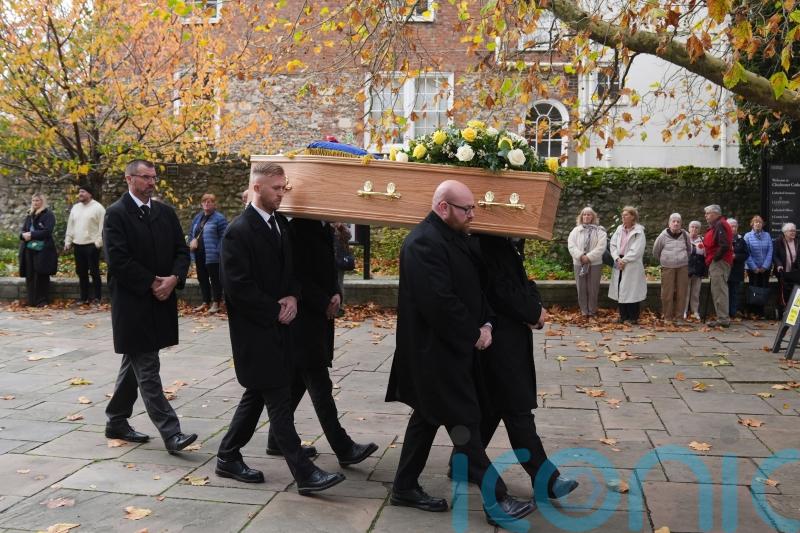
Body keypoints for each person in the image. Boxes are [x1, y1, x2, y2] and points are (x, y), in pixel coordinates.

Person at [385, 180, 534, 527]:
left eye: (473, 208)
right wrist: (473, 334)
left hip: (450, 352)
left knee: (425, 419)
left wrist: (487, 322)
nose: (473, 214)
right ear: (443, 207)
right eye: (467, 209)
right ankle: (497, 501)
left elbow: (472, 288)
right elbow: (440, 302)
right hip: (433, 355)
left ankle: (404, 486)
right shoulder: (422, 243)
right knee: (464, 424)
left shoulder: (454, 239)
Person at [215, 162, 345, 494]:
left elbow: (291, 273)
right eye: (276, 188)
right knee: (277, 399)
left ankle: (227, 456)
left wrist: (293, 298)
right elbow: (238, 288)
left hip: (280, 327)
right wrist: (276, 309)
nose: (281, 194)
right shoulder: (238, 231)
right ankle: (304, 474)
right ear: (257, 188)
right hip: (256, 332)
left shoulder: (280, 226)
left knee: (257, 395)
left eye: (284, 188)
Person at [465, 233, 578, 501]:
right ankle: (546, 479)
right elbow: (500, 291)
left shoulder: (502, 242)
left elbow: (524, 282)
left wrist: (535, 308)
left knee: (493, 407)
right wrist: (532, 313)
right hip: (499, 339)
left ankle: (464, 462)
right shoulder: (487, 244)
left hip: (509, 337)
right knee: (516, 409)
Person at [264, 217, 377, 465]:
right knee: (320, 386)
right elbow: (299, 276)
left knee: (297, 382)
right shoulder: (299, 230)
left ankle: (276, 439)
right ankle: (343, 447)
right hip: (304, 319)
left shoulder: (322, 228)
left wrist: (336, 292)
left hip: (317, 318)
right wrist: (324, 301)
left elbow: (328, 269)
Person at [103, 159, 197, 453]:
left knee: (135, 362)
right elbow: (117, 260)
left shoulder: (165, 213)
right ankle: (172, 433)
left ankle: (116, 420)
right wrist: (151, 283)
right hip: (133, 303)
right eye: (145, 177)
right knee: (147, 366)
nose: (151, 183)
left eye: (154, 177)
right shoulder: (116, 214)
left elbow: (182, 252)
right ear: (129, 179)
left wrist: (173, 278)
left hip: (161, 300)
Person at [64, 184, 106, 305]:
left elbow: (102, 228)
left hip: (92, 245)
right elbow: (70, 226)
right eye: (79, 192)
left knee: (94, 272)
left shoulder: (98, 208)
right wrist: (68, 241)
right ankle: (84, 298)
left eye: (83, 192)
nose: (80, 194)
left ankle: (97, 297)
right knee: (81, 272)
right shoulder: (75, 208)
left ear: (90, 194)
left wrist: (98, 243)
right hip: (78, 244)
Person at [188, 193, 228, 314]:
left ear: (214, 204)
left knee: (215, 279)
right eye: (204, 201)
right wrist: (191, 242)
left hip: (213, 256)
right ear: (201, 204)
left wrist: (217, 251)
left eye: (210, 201)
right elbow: (191, 234)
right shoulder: (198, 217)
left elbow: (224, 236)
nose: (206, 203)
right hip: (199, 253)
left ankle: (216, 303)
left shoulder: (219, 218)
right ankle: (205, 302)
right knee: (202, 278)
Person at [608, 206, 647, 324]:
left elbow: (637, 250)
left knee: (632, 290)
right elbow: (613, 244)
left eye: (626, 215)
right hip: (618, 262)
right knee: (620, 288)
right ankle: (623, 316)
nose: (623, 217)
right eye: (622, 215)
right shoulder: (619, 229)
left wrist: (623, 260)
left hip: (631, 264)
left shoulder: (639, 232)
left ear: (633, 217)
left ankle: (633, 317)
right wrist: (616, 258)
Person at [18, 193, 57, 307]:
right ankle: (32, 301)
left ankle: (42, 301)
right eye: (33, 200)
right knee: (30, 275)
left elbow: (47, 231)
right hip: (28, 249)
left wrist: (31, 235)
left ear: (42, 201)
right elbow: (23, 230)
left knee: (41, 274)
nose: (35, 202)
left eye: (38, 200)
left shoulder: (48, 214)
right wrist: (22, 235)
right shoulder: (30, 214)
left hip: (43, 249)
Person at [567, 207, 607, 319]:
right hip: (579, 263)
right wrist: (580, 256)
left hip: (594, 263)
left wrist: (588, 257)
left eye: (589, 214)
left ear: (593, 217)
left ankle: (592, 310)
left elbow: (601, 247)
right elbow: (571, 245)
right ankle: (584, 311)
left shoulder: (600, 231)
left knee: (593, 288)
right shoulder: (576, 231)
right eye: (584, 214)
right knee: (581, 288)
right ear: (581, 217)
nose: (586, 216)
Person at [652, 213, 691, 325]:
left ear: (681, 223)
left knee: (682, 292)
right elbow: (656, 251)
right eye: (673, 221)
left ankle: (679, 318)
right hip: (667, 267)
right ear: (669, 223)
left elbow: (689, 250)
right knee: (667, 293)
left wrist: (683, 259)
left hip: (682, 267)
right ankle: (668, 317)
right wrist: (665, 260)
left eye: (678, 221)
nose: (676, 223)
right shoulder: (663, 236)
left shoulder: (685, 235)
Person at [702, 204, 734, 327]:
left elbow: (724, 245)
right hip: (718, 261)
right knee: (718, 289)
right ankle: (722, 317)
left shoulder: (720, 224)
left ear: (716, 214)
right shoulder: (718, 224)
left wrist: (715, 259)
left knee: (719, 290)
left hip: (719, 262)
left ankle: (723, 319)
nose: (706, 216)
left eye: (708, 213)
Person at [744, 215, 772, 318]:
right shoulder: (747, 236)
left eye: (760, 222)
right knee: (754, 288)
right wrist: (754, 267)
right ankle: (753, 312)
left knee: (764, 288)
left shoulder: (767, 236)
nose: (758, 224)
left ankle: (761, 312)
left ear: (762, 224)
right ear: (752, 224)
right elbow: (747, 253)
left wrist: (765, 266)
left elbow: (770, 251)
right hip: (753, 269)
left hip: (765, 268)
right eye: (756, 222)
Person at [773, 222, 800, 316]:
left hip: (795, 272)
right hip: (783, 271)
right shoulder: (778, 241)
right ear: (785, 232)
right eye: (791, 231)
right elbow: (775, 256)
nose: (793, 232)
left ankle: (794, 312)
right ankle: (781, 311)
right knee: (783, 291)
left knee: (795, 291)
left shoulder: (798, 241)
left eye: (794, 230)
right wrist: (779, 264)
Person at [727, 218, 749, 319]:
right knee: (724, 293)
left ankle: (733, 312)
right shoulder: (723, 238)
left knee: (734, 292)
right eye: (732, 226)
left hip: (737, 270)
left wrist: (736, 256)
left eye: (735, 226)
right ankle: (724, 313)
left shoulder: (741, 240)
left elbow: (746, 254)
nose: (734, 228)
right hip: (725, 270)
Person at [685, 220, 706, 320]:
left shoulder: (703, 240)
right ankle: (683, 311)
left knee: (696, 293)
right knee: (685, 292)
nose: (694, 229)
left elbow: (705, 255)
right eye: (692, 227)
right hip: (686, 270)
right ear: (689, 228)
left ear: (699, 230)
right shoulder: (684, 239)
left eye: (696, 227)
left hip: (698, 270)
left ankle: (695, 311)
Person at [332, 222, 353, 314]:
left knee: (339, 282)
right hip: (326, 255)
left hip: (338, 256)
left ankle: (339, 307)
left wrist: (340, 227)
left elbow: (348, 236)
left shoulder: (341, 223)